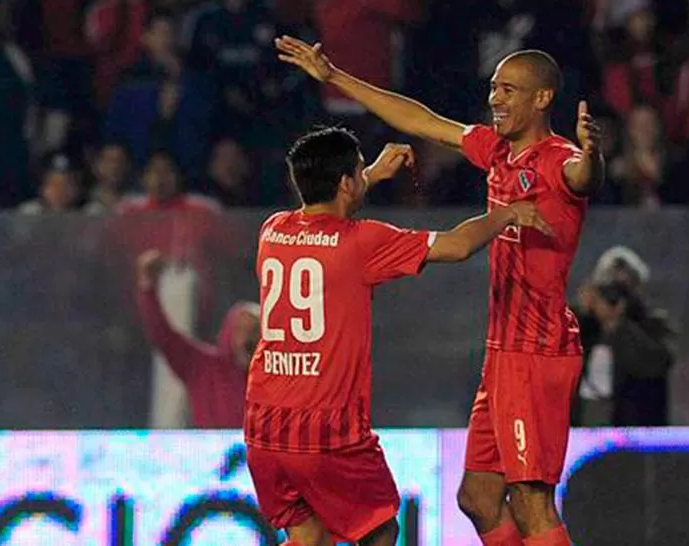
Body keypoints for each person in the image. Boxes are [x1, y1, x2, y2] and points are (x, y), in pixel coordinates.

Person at [275, 37, 604, 546]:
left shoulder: (559, 158)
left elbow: (580, 177)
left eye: (510, 90)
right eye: (494, 88)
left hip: (537, 350)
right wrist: (335, 76)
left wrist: (594, 154)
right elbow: (420, 119)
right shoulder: (496, 151)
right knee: (477, 498)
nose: (496, 99)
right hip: (502, 352)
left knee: (532, 500)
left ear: (542, 99)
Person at [244, 127, 552, 546]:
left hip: (264, 426)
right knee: (380, 530)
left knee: (308, 536)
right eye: (356, 172)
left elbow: (324, 209)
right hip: (327, 432)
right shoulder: (361, 242)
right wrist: (507, 213)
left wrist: (367, 175)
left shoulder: (272, 231)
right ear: (346, 183)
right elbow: (458, 245)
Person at [135, 248, 258, 429]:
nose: (247, 336)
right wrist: (147, 287)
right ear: (229, 331)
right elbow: (163, 335)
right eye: (241, 329)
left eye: (255, 330)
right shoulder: (202, 367)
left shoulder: (276, 378)